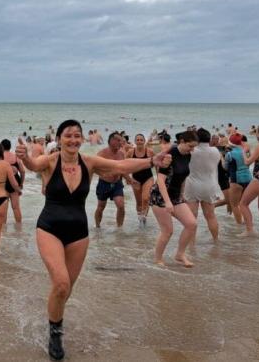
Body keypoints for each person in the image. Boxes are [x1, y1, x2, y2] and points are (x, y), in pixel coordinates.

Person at [15, 120, 171, 361]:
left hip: (79, 232)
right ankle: (55, 333)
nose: (74, 139)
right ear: (59, 138)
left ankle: (55, 314)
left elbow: (120, 166)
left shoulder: (88, 162)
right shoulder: (51, 160)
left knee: (65, 289)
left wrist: (151, 161)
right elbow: (34, 164)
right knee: (61, 283)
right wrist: (24, 157)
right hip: (49, 228)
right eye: (68, 135)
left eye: (77, 135)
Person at [150, 131, 198, 267]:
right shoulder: (170, 155)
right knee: (167, 231)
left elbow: (182, 176)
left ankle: (180, 254)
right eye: (190, 146)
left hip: (176, 196)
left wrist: (182, 195)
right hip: (160, 196)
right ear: (182, 141)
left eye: (194, 147)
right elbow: (160, 180)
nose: (192, 149)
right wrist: (168, 202)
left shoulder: (188, 155)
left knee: (191, 224)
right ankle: (158, 259)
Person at [183, 129, 220, 242]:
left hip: (192, 185)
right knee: (211, 216)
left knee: (192, 218)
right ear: (208, 138)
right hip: (210, 185)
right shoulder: (215, 151)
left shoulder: (191, 151)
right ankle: (216, 240)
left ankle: (192, 244)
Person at [93, 132, 130, 228]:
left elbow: (123, 169)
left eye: (121, 140)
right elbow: (93, 168)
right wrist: (104, 174)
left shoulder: (121, 154)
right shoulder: (101, 154)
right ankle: (97, 227)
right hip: (104, 184)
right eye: (118, 140)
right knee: (101, 207)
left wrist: (130, 179)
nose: (120, 142)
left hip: (117, 183)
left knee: (121, 206)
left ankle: (119, 229)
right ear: (111, 141)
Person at [125, 134, 154, 226]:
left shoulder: (149, 152)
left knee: (146, 198)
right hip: (135, 178)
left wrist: (159, 178)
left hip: (148, 178)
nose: (139, 141)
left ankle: (144, 217)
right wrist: (127, 178)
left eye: (141, 140)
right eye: (137, 140)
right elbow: (124, 165)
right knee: (139, 202)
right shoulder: (130, 152)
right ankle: (140, 220)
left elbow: (157, 164)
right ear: (135, 141)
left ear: (144, 141)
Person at [224, 133, 251, 225]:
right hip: (248, 178)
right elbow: (248, 163)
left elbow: (225, 167)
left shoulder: (229, 154)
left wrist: (221, 158)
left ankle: (239, 225)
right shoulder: (245, 151)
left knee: (234, 205)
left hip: (236, 180)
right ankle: (247, 223)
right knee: (244, 204)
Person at [2, 138, 25, 224]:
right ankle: (19, 227)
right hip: (15, 182)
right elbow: (22, 171)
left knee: (4, 208)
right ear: (10, 146)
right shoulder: (15, 157)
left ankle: (4, 230)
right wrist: (21, 183)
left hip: (3, 183)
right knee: (16, 207)